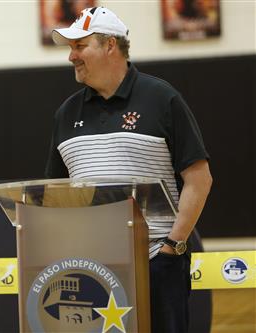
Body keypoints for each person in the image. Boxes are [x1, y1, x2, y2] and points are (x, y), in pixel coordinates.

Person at [46, 7, 212, 332]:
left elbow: (199, 180)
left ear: (110, 45)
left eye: (80, 46)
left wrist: (173, 247)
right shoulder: (66, 114)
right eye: (70, 48)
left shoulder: (162, 99)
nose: (71, 57)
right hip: (91, 270)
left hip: (159, 264)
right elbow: (56, 195)